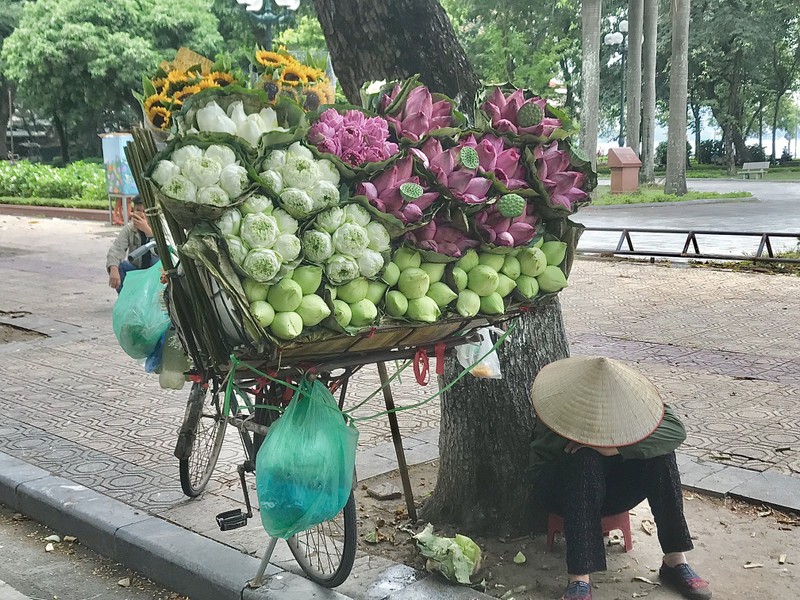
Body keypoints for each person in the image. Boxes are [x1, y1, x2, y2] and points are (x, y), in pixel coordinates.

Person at [528, 356, 712, 600]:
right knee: (584, 460)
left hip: (611, 492)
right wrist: (589, 444)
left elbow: (675, 430)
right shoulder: (561, 408)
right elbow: (544, 465)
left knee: (661, 457)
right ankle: (579, 580)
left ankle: (674, 560)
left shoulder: (629, 405)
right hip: (561, 491)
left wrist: (616, 449)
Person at [106, 195, 156, 293]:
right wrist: (113, 267)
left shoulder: (160, 227)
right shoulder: (129, 229)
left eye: (144, 212)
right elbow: (116, 248)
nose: (141, 215)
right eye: (138, 210)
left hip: (156, 272)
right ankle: (126, 300)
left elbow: (167, 248)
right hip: (138, 270)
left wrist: (149, 232)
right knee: (121, 266)